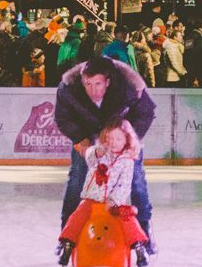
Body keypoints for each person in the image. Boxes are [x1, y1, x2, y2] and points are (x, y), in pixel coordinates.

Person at [55, 54, 158, 249]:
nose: (92, 90)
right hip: (88, 137)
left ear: (108, 82)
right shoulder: (69, 89)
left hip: (122, 138)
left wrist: (128, 138)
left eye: (98, 84)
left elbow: (147, 112)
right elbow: (62, 116)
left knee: (136, 181)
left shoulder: (129, 87)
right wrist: (80, 139)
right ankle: (67, 237)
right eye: (88, 84)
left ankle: (144, 236)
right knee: (77, 179)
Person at [56, 121, 151, 267]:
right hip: (93, 198)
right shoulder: (101, 154)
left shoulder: (127, 161)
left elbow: (124, 185)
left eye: (118, 139)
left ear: (127, 140)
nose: (113, 143)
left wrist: (114, 200)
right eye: (110, 138)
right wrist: (94, 151)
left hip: (114, 202)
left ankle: (138, 246)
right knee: (78, 215)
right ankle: (67, 244)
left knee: (127, 217)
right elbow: (89, 157)